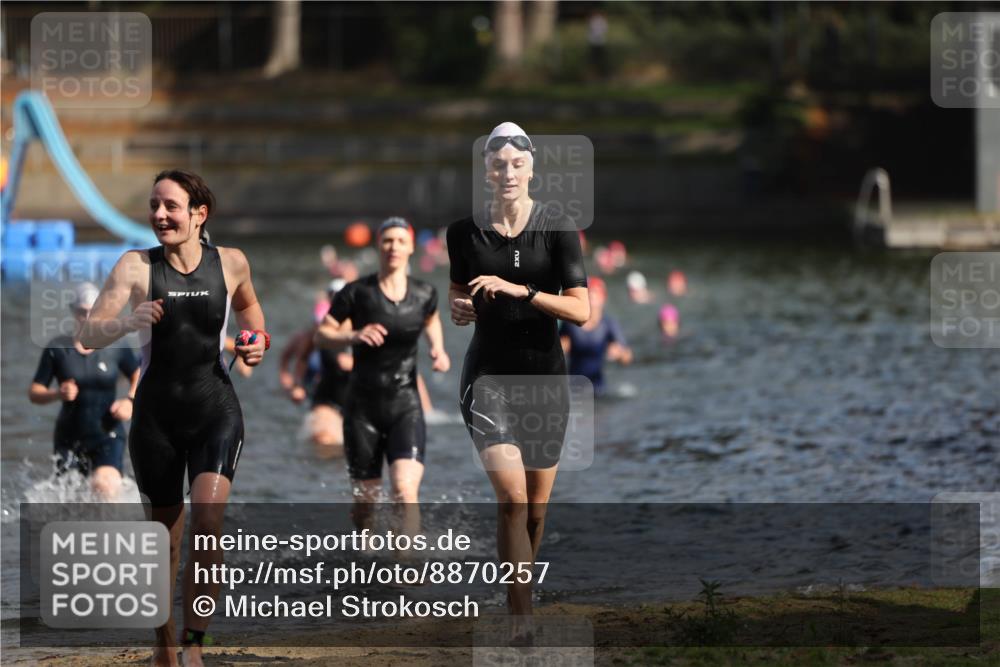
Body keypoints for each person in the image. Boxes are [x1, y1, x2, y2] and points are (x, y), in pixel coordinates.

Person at [79, 170, 267, 667]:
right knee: (165, 544)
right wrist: (128, 321)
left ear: (199, 214)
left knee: (208, 523)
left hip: (215, 409)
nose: (159, 215)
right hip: (156, 418)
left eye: (171, 206)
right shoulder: (136, 267)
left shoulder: (231, 262)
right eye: (153, 205)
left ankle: (193, 646)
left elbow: (251, 313)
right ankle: (163, 647)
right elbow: (90, 335)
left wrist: (256, 345)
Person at [447, 122, 589, 633]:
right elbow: (457, 291)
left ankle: (519, 594)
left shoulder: (557, 226)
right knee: (511, 498)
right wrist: (460, 308)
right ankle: (521, 620)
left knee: (535, 511)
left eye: (517, 163)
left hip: (546, 379)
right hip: (487, 378)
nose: (508, 172)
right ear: (486, 171)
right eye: (498, 164)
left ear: (531, 169)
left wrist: (521, 291)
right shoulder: (463, 232)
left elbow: (582, 310)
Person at [314, 217, 449, 530]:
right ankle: (365, 560)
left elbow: (431, 320)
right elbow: (322, 335)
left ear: (411, 247)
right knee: (366, 505)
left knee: (405, 490)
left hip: (406, 405)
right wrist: (353, 336)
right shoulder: (356, 292)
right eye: (387, 240)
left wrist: (438, 350)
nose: (394, 247)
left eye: (401, 241)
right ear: (378, 245)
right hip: (363, 408)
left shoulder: (425, 292)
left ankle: (407, 565)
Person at [28, 282, 140, 499]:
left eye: (93, 312)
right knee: (70, 501)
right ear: (73, 311)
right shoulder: (58, 349)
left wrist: (130, 401)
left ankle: (107, 532)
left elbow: (139, 374)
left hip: (107, 434)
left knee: (104, 488)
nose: (87, 318)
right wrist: (57, 394)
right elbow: (35, 391)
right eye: (82, 312)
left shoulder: (116, 345)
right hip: (69, 437)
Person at [560, 276, 633, 396]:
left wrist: (619, 354)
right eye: (588, 293)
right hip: (573, 388)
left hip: (598, 388)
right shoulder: (570, 323)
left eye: (594, 293)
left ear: (603, 298)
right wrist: (560, 348)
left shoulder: (609, 325)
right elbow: (556, 351)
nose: (591, 297)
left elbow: (627, 357)